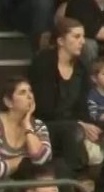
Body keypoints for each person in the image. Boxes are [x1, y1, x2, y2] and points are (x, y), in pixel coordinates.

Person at [27, 18, 95, 174]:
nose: (83, 42)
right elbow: (45, 108)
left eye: (83, 37)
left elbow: (82, 107)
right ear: (60, 41)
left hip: (73, 122)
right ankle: (76, 180)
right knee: (72, 130)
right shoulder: (43, 63)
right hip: (44, 123)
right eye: (77, 37)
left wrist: (89, 125)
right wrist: (78, 123)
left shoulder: (81, 68)